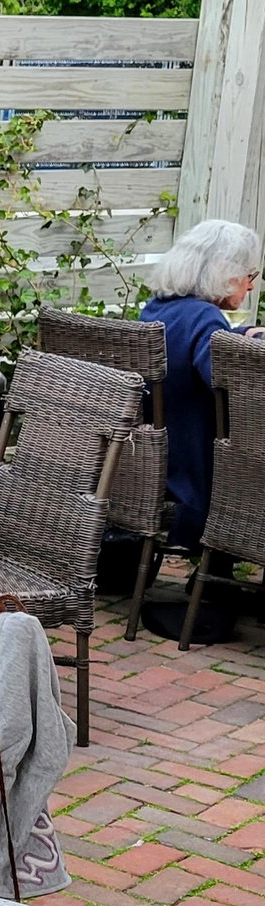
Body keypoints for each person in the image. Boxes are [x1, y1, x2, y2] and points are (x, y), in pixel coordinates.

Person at [139, 220, 265, 641]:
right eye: (249, 275)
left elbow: (198, 344)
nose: (250, 285)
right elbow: (229, 386)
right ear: (225, 272)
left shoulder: (159, 309)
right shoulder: (205, 318)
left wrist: (238, 335)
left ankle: (217, 579)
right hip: (198, 477)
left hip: (156, 464)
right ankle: (222, 578)